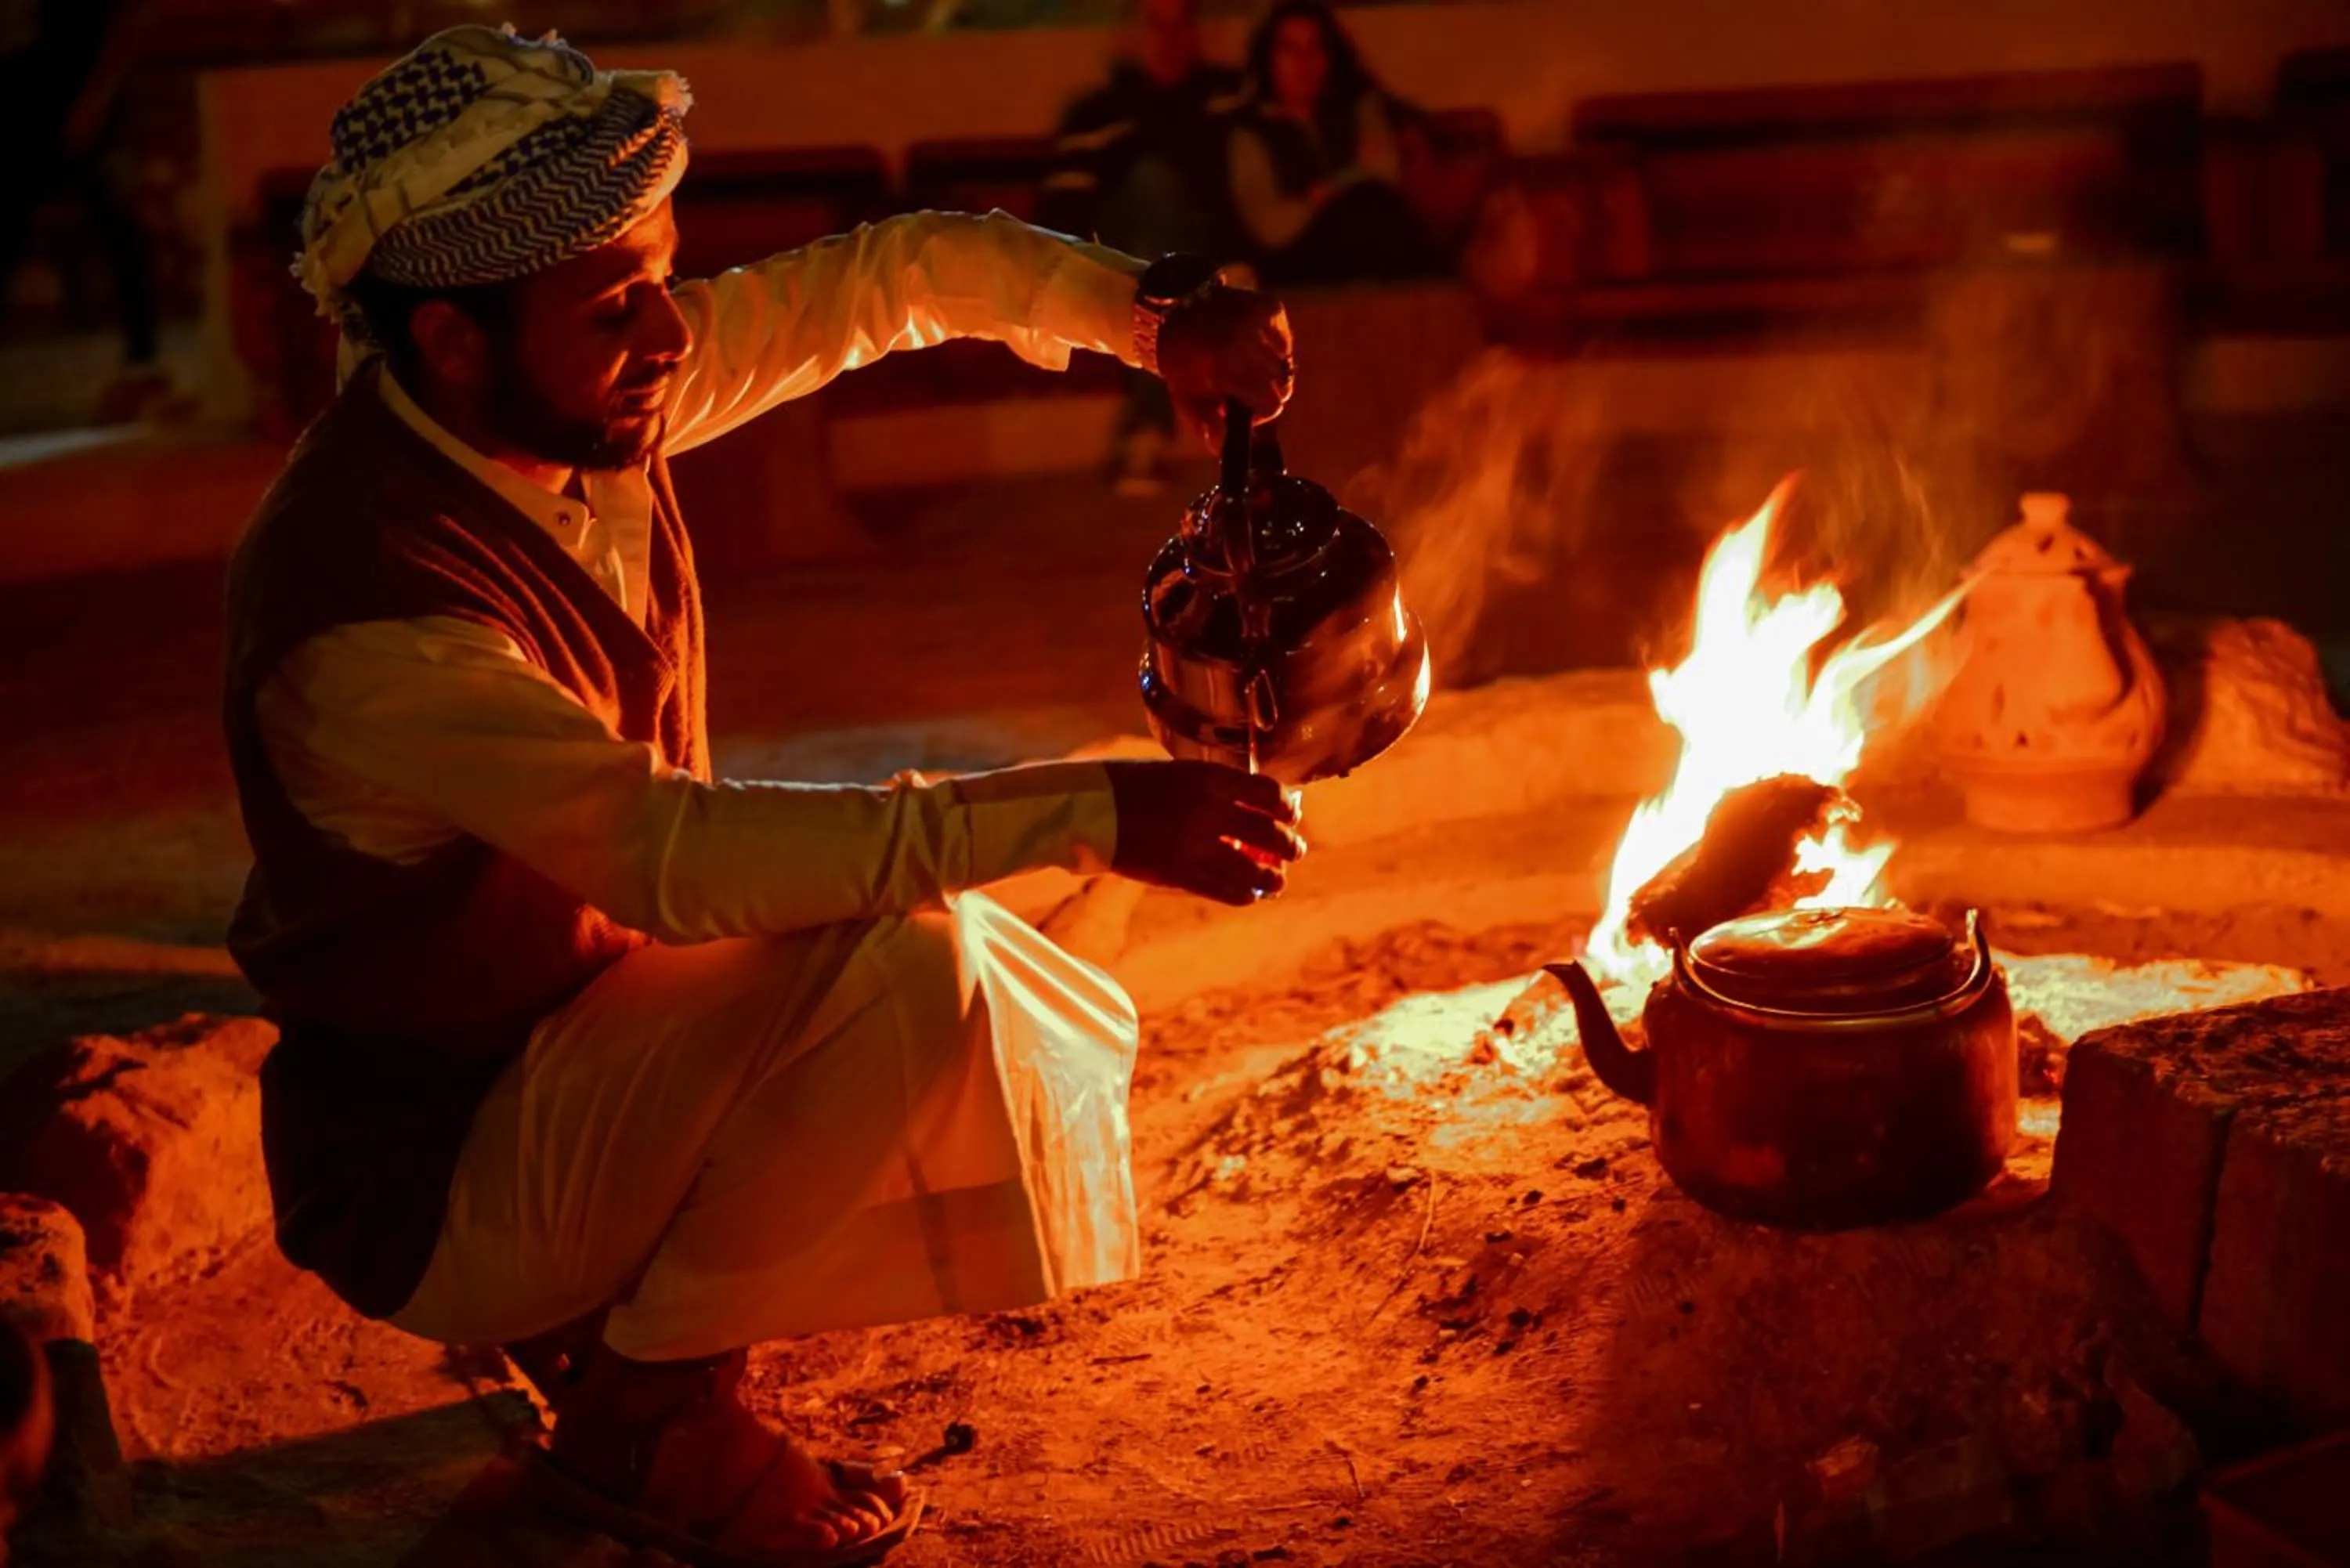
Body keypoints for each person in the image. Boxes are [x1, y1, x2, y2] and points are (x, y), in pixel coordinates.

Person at [224, 25, 1301, 1566]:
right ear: (452, 341)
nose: (670, 333)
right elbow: (675, 859)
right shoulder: (372, 610)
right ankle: (643, 1420)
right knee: (916, 958)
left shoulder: (565, 393)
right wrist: (1093, 807)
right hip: (438, 1165)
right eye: (618, 304)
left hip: (576, 1045)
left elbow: (894, 278)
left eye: (665, 277)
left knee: (911, 928)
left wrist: (1149, 318)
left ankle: (614, 1321)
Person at [1041, 0, 1246, 494]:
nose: (1169, 41)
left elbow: (1245, 189)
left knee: (1171, 223)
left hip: (1205, 255)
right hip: (1125, 259)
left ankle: (1147, 430)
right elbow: (1064, 212)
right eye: (1156, 27)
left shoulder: (1225, 100)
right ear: (1131, 35)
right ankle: (1152, 423)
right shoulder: (1095, 114)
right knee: (1153, 192)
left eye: (1180, 27)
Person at [1224, 0, 1436, 287]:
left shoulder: (1356, 110)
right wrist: (1319, 199)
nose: (1304, 62)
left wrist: (1331, 189)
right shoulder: (1250, 134)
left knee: (1375, 210)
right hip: (1296, 258)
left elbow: (1384, 173)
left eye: (1315, 49)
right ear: (1269, 60)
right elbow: (1270, 227)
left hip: (1370, 232)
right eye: (1290, 50)